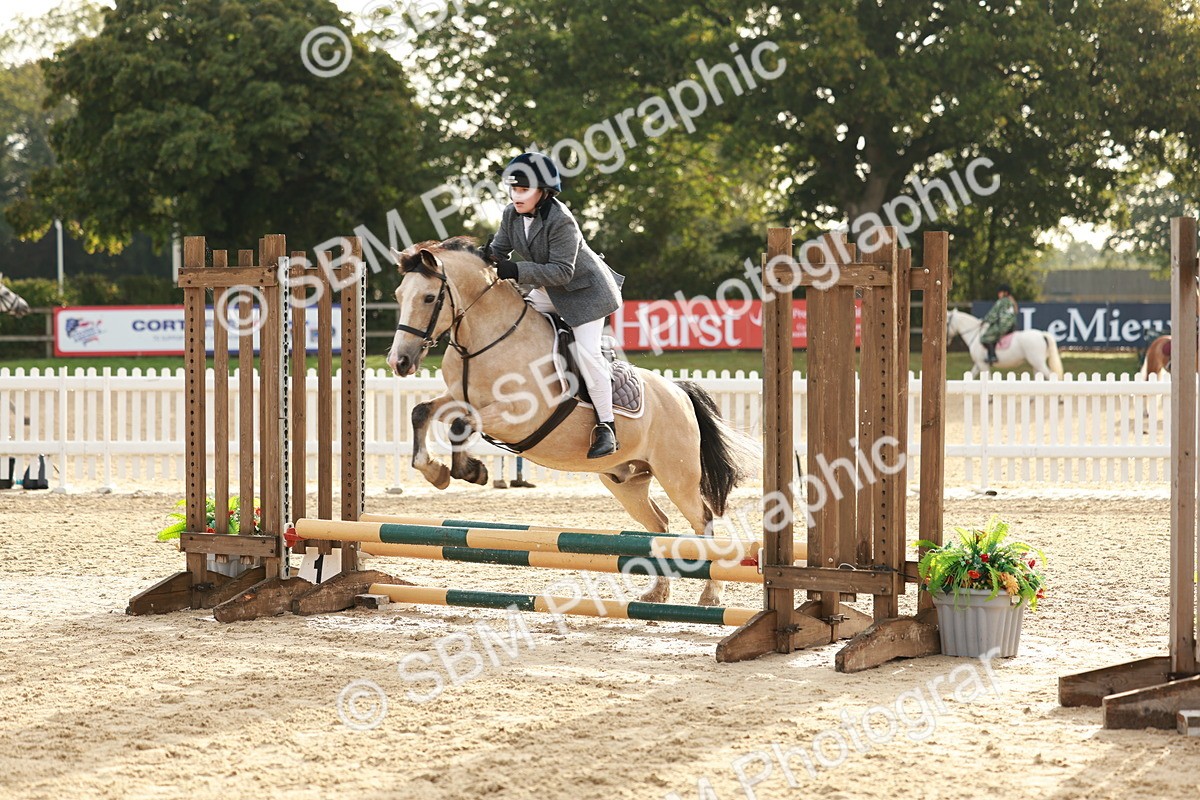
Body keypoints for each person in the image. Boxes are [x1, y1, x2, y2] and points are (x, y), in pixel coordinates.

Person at [488, 152, 626, 458]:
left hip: (585, 294)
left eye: (523, 190)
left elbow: (563, 271)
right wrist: (481, 256)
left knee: (587, 354)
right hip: (549, 290)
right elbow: (498, 250)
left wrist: (516, 270)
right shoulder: (511, 214)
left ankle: (607, 427)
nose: (516, 196)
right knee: (512, 325)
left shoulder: (561, 220)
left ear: (543, 191)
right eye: (513, 189)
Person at [980, 283, 1018, 364]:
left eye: (1000, 292)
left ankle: (992, 356)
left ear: (1005, 293)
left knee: (985, 337)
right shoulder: (1011, 302)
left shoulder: (1001, 302)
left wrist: (985, 321)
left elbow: (993, 314)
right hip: (1012, 326)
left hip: (1003, 326)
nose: (998, 294)